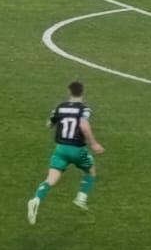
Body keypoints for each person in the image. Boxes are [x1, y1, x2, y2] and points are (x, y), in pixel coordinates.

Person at [27, 80, 105, 225]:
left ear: (69, 92)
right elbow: (83, 124)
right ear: (82, 92)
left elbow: (49, 124)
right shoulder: (84, 109)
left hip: (61, 148)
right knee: (91, 171)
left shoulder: (60, 107)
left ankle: (36, 198)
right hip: (77, 149)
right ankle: (81, 199)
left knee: (51, 179)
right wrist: (94, 143)